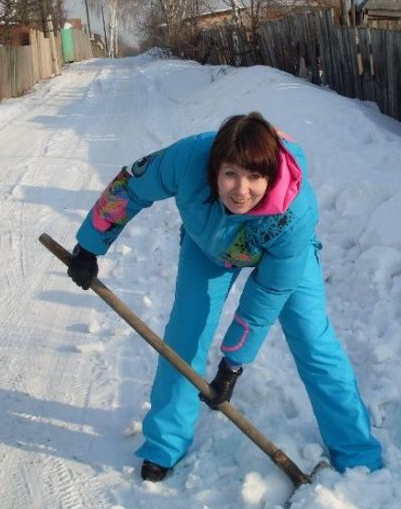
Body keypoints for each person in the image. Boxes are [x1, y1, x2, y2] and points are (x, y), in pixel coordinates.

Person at [67, 112, 383, 482]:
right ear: (215, 167)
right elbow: (131, 188)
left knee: (313, 341)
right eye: (230, 174)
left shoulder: (295, 213)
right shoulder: (187, 161)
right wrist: (89, 246)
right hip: (209, 247)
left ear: (269, 175)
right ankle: (164, 444)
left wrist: (233, 363)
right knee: (186, 335)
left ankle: (356, 449)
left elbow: (268, 292)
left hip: (279, 253)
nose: (241, 190)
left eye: (254, 177)